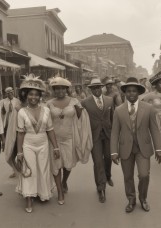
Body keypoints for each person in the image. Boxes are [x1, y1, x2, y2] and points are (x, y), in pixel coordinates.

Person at [111, 77, 161, 213]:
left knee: (144, 175)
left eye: (134, 91)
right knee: (127, 177)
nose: (131, 94)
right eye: (128, 91)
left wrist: (159, 148)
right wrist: (113, 152)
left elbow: (154, 129)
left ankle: (143, 198)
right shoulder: (118, 110)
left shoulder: (148, 108)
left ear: (139, 92)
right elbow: (115, 132)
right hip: (125, 148)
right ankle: (131, 199)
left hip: (143, 148)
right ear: (125, 93)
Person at [15, 74, 60, 213]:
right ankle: (28, 197)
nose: (33, 97)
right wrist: (19, 152)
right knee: (30, 171)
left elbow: (50, 130)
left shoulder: (46, 110)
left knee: (43, 169)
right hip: (28, 145)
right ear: (26, 95)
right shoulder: (22, 112)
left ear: (40, 96)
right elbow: (20, 133)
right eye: (30, 94)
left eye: (36, 94)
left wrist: (56, 147)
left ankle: (42, 193)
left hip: (43, 144)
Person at [47, 76, 92, 205]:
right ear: (53, 90)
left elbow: (81, 118)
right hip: (54, 139)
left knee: (68, 164)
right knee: (56, 165)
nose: (59, 91)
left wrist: (81, 114)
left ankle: (64, 181)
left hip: (69, 138)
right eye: (56, 88)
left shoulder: (74, 101)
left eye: (62, 88)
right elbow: (45, 120)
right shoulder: (49, 103)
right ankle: (60, 191)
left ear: (66, 89)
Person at [81, 78, 114, 203]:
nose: (97, 90)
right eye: (94, 88)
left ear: (102, 87)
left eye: (98, 87)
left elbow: (113, 118)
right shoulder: (84, 102)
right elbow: (81, 119)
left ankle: (108, 175)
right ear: (90, 89)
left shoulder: (110, 100)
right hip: (94, 136)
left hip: (108, 134)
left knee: (109, 158)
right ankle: (101, 188)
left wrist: (115, 134)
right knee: (98, 162)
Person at [0, 87, 22, 178]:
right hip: (6, 127)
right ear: (5, 94)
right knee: (9, 150)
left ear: (13, 92)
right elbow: (1, 115)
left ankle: (19, 169)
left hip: (16, 127)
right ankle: (15, 169)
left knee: (17, 148)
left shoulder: (18, 101)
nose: (9, 94)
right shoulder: (2, 102)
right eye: (7, 93)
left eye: (11, 92)